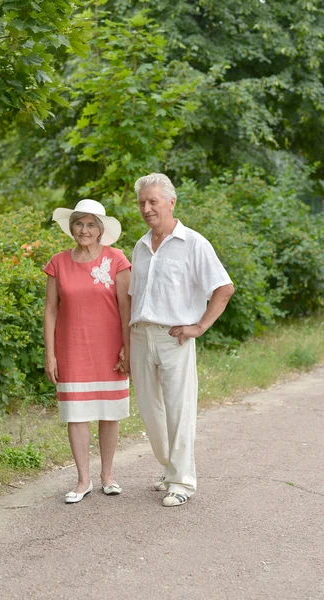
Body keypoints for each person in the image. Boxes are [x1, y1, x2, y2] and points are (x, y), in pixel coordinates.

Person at [129, 173, 234, 507]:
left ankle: (182, 482)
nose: (147, 208)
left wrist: (200, 327)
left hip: (174, 338)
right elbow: (133, 297)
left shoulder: (194, 243)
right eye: (142, 202)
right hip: (140, 337)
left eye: (153, 201)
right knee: (149, 411)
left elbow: (224, 288)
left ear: (171, 202)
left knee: (179, 409)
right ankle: (169, 467)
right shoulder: (141, 246)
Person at [43, 199, 131, 504]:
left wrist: (127, 347)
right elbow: (50, 310)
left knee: (109, 413)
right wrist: (50, 353)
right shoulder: (58, 262)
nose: (84, 229)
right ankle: (83, 480)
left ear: (101, 230)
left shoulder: (117, 259)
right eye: (79, 223)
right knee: (76, 414)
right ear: (71, 227)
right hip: (71, 347)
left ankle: (108, 476)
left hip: (109, 348)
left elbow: (125, 307)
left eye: (91, 224)